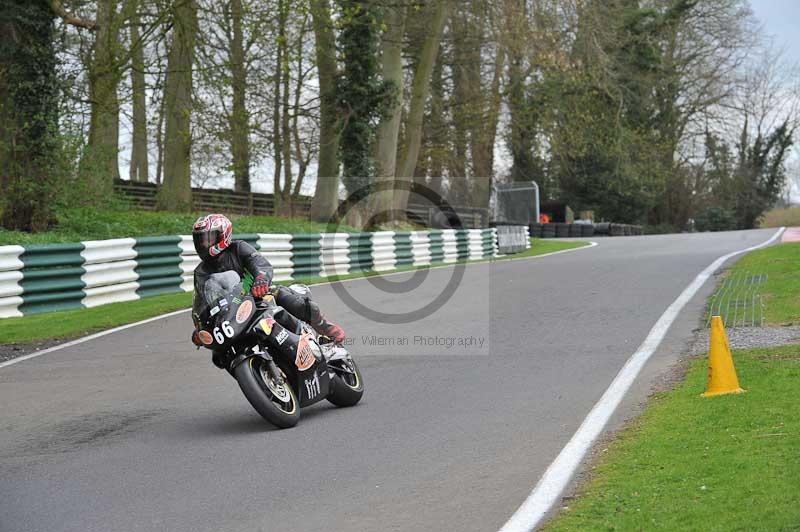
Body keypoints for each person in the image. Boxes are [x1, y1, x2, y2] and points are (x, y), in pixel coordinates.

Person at [189, 214, 345, 353]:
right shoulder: (201, 272)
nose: (203, 244)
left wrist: (261, 279)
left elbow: (259, 263)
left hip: (258, 295)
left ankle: (324, 326)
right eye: (200, 239)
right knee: (220, 353)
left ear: (223, 235)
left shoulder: (238, 248)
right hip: (233, 311)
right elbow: (201, 301)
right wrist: (200, 327)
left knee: (284, 297)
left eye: (208, 238)